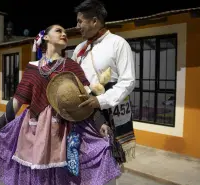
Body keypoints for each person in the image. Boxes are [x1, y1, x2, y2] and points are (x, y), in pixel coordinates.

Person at [0, 24, 121, 185]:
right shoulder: (32, 68)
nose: (64, 34)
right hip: (33, 130)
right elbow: (17, 100)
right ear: (45, 37)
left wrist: (100, 122)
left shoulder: (71, 66)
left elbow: (86, 97)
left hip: (62, 130)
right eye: (59, 31)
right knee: (36, 175)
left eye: (65, 32)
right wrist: (0, 123)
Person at [72, 0, 136, 179]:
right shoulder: (79, 49)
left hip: (109, 114)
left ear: (94, 21)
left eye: (80, 21)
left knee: (107, 169)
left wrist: (100, 101)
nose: (77, 26)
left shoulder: (118, 43)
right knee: (83, 165)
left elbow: (128, 81)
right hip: (84, 115)